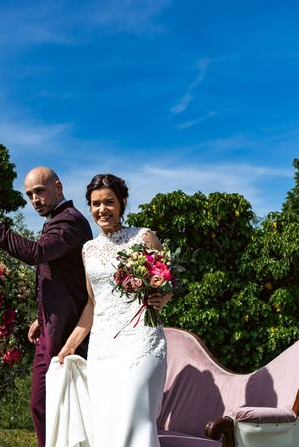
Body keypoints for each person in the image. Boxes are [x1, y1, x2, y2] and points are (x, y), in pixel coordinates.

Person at [0, 166, 93, 447]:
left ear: (59, 186)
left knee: (55, 405)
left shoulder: (69, 222)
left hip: (67, 330)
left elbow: (36, 254)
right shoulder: (56, 220)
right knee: (42, 404)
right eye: (30, 194)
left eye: (40, 191)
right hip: (50, 324)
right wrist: (40, 316)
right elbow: (58, 276)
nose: (35, 200)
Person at [57, 173, 172, 447]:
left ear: (122, 202)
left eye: (108, 202)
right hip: (103, 348)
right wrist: (69, 345)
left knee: (135, 419)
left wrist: (163, 298)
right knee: (107, 424)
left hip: (141, 342)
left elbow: (169, 282)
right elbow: (93, 304)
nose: (102, 209)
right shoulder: (88, 249)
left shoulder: (144, 238)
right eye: (95, 204)